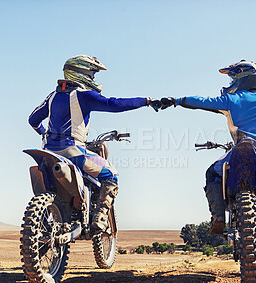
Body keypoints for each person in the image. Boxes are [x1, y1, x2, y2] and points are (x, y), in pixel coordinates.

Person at [160, 60, 256, 283]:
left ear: (241, 79)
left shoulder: (232, 99)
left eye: (233, 78)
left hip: (241, 153)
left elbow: (201, 102)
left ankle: (218, 216)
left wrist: (175, 101)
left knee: (212, 173)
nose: (231, 82)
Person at [29, 54, 161, 232]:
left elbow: (33, 120)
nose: (94, 78)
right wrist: (146, 101)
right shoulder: (84, 95)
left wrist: (44, 133)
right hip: (73, 152)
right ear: (82, 73)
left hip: (47, 152)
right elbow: (113, 104)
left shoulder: (52, 97)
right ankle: (99, 217)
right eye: (92, 74)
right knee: (111, 174)